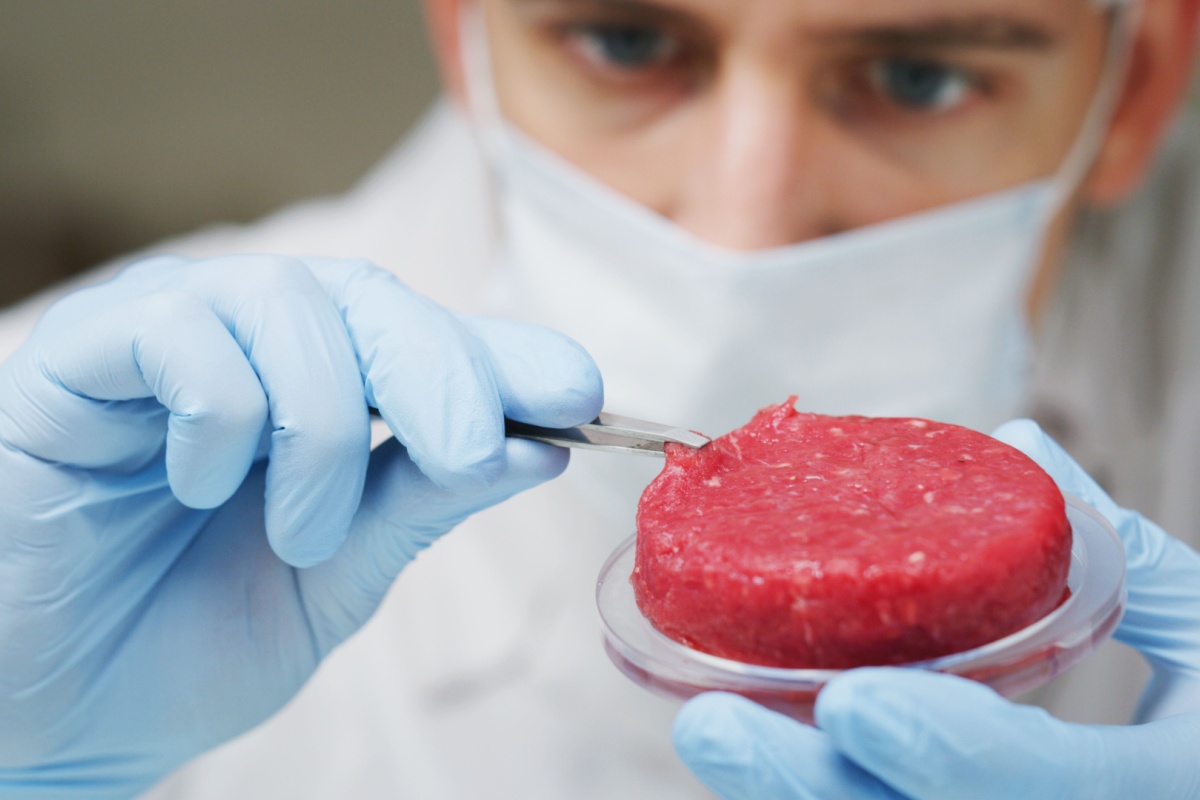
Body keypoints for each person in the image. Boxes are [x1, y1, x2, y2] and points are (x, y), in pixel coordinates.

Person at [1, 0, 1199, 797]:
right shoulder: (81, 453)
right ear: (464, 30)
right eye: (628, 44)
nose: (743, 222)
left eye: (918, 75)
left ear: (1135, 86)